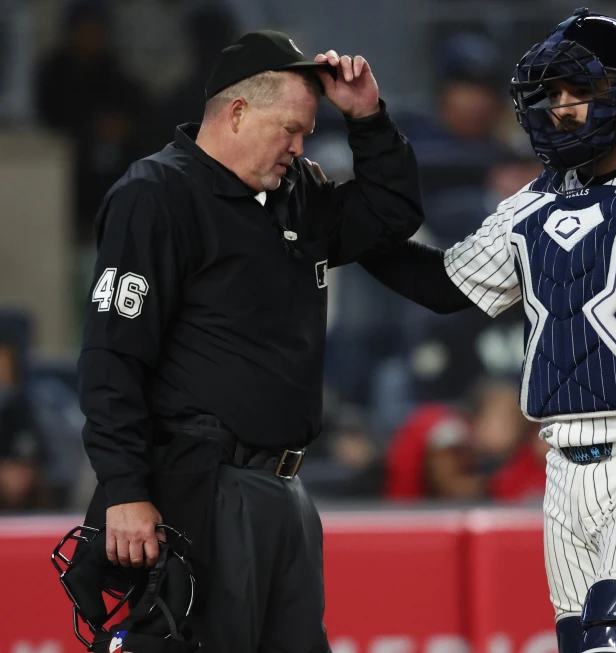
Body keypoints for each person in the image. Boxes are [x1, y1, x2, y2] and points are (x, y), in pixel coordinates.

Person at [359, 9, 616, 652]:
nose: (562, 108)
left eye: (580, 90)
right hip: (564, 467)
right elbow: (444, 286)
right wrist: (350, 233)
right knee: (583, 642)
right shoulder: (531, 204)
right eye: (551, 94)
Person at [76, 29, 423, 652]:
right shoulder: (157, 193)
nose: (299, 146)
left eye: (306, 133)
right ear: (236, 112)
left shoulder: (295, 196)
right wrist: (125, 491)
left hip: (287, 490)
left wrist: (368, 118)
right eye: (289, 129)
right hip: (200, 489)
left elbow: (392, 215)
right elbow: (111, 357)